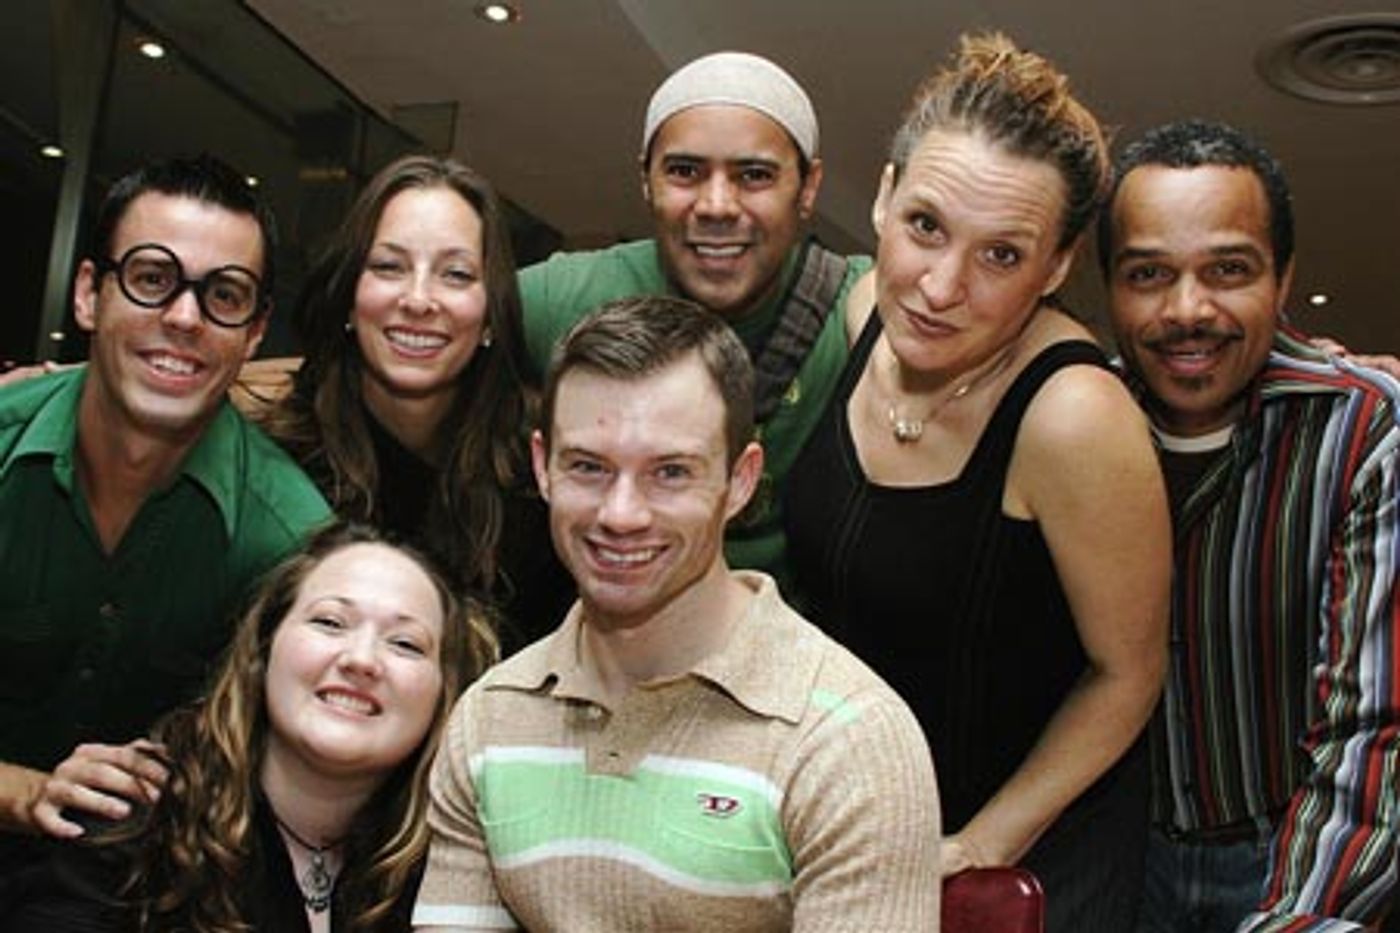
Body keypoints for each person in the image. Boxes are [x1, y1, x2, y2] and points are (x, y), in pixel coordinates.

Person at [784, 33, 1171, 931]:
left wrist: (979, 847)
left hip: (1026, 865)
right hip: (870, 834)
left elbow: (1129, 672)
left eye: (1001, 256)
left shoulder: (1073, 415)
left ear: (1057, 266)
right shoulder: (864, 316)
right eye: (925, 225)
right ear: (883, 197)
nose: (940, 286)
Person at [412, 297, 941, 931]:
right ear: (542, 468)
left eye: (669, 472)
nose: (621, 514)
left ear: (740, 481)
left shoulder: (847, 738)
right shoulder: (490, 717)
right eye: (588, 467)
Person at [1097, 120, 1400, 932]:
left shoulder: (1365, 426)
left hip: (1300, 849)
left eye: (1228, 270)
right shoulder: (1074, 424)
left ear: (1283, 276)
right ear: (1109, 288)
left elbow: (1375, 727)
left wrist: (1294, 916)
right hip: (1117, 857)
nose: (1187, 310)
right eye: (1148, 274)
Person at [0, 155, 330, 857]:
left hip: (137, 881)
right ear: (89, 295)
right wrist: (26, 793)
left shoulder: (288, 542)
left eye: (225, 295)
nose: (184, 318)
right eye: (152, 279)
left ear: (255, 332)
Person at [3, 522, 497, 931]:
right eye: (329, 622)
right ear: (263, 648)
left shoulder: (463, 868)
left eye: (405, 644)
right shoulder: (133, 814)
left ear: (447, 696)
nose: (361, 659)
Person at [518, 51, 872, 593]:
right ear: (646, 179)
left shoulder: (861, 310)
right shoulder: (562, 298)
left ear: (808, 187)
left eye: (754, 175)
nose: (716, 205)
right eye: (684, 172)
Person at [243, 154, 571, 652]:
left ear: (490, 313)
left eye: (455, 274)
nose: (418, 300)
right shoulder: (273, 466)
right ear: (350, 295)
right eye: (389, 267)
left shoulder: (541, 479)